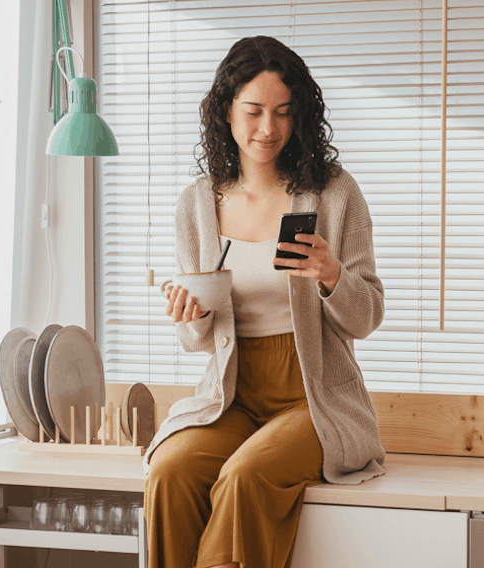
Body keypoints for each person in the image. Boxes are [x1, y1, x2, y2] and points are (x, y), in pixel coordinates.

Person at [142, 35, 386, 568]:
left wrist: (331, 274)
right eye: (253, 111)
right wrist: (192, 313)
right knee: (170, 469)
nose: (268, 128)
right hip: (230, 396)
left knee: (245, 475)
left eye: (282, 112)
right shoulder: (198, 204)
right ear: (225, 113)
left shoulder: (334, 193)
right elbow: (194, 340)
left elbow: (366, 316)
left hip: (314, 396)